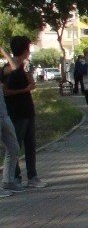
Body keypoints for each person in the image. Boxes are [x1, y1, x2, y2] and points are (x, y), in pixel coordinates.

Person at [1, 36, 46, 189]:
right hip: (16, 112)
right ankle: (15, 177)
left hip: (28, 110)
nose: (29, 51)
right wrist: (24, 89)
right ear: (24, 49)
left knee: (30, 145)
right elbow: (6, 91)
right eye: (28, 48)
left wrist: (30, 79)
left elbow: (30, 82)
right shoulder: (8, 69)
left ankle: (32, 177)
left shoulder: (24, 67)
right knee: (15, 146)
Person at [0, 43, 23, 195]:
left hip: (3, 115)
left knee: (14, 147)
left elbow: (14, 66)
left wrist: (2, 50)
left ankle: (8, 181)